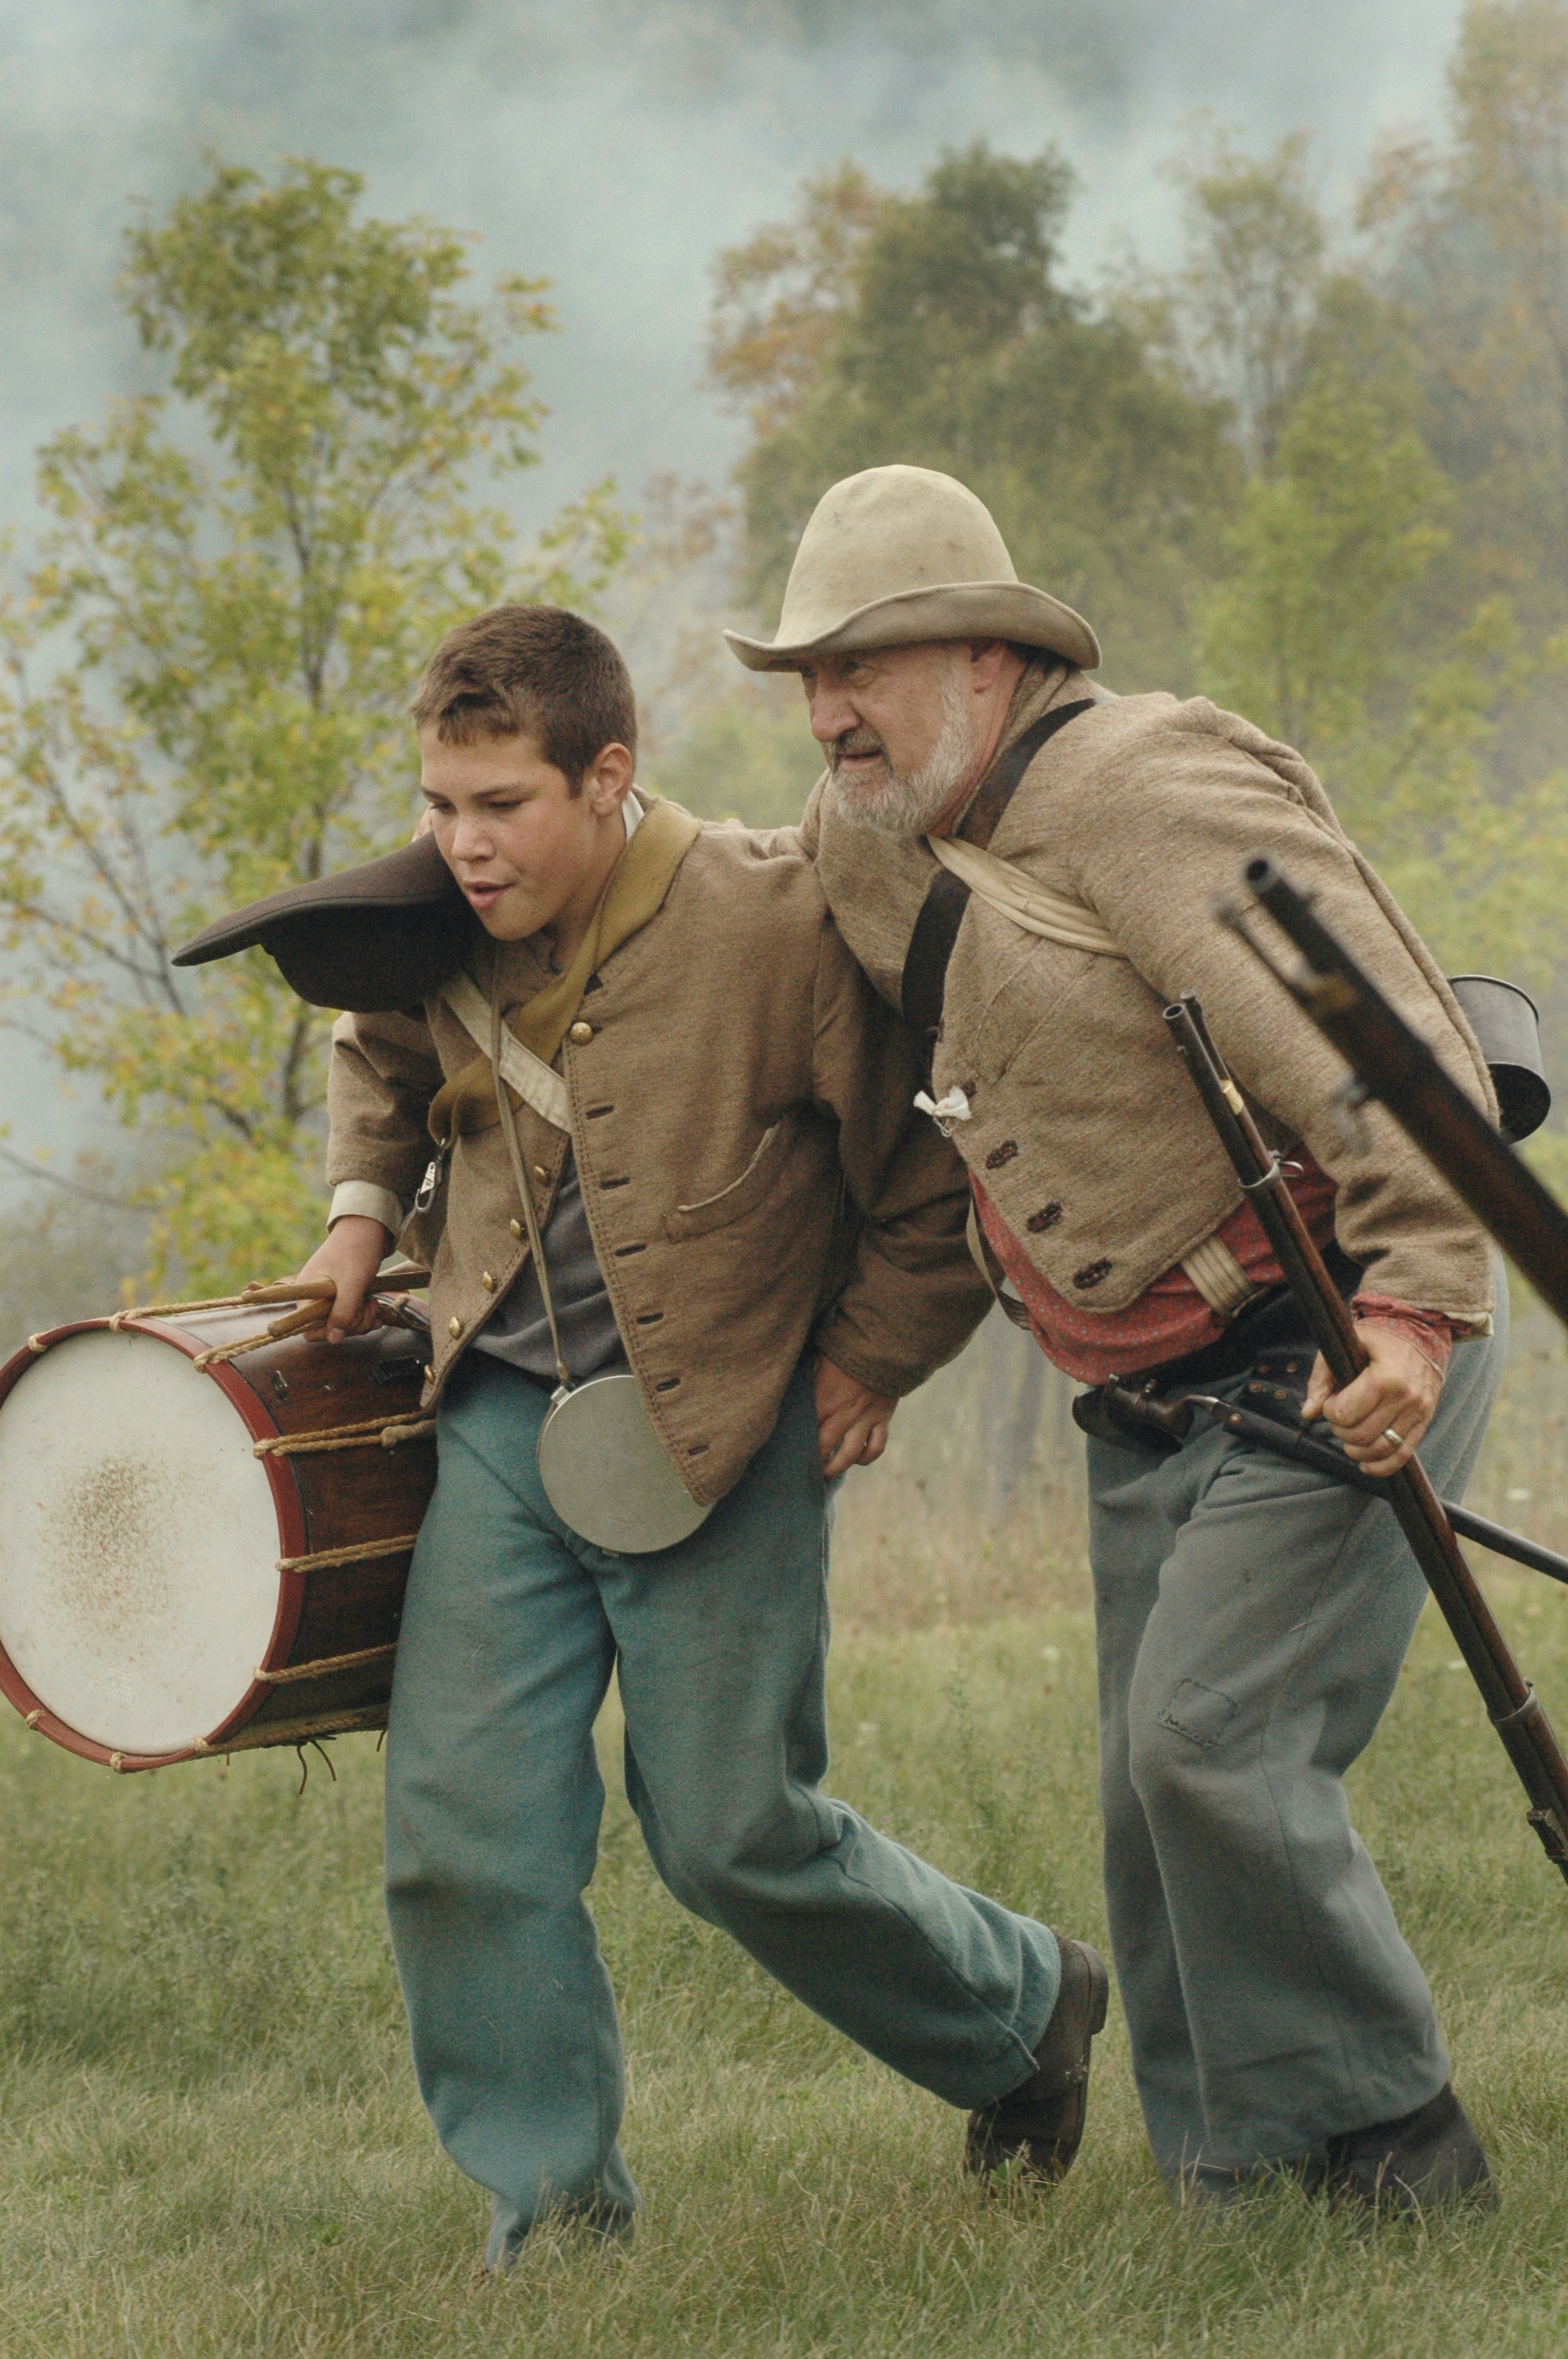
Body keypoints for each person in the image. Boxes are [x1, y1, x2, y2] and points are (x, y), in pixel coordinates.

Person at [279, 602, 1108, 2266]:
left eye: (499, 806)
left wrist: (870, 1356)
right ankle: (557, 2221)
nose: (460, 845)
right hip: (501, 1430)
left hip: (724, 1430)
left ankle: (1024, 2011)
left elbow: (933, 1159)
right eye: (440, 805)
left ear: (608, 775)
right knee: (462, 1836)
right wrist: (362, 1208)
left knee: (733, 1834)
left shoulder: (774, 918)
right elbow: (372, 1035)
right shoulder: (437, 901)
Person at [726, 463, 1507, 2211]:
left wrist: (1407, 1321)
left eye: (863, 664)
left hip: (1325, 1335)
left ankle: (1393, 2147)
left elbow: (1388, 1057)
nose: (828, 709)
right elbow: (732, 919)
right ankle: (1230, 2184)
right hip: (1142, 1386)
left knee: (1206, 1738)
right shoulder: (863, 827)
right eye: (806, 674)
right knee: (1147, 1806)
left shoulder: (1149, 789)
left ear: (989, 657)